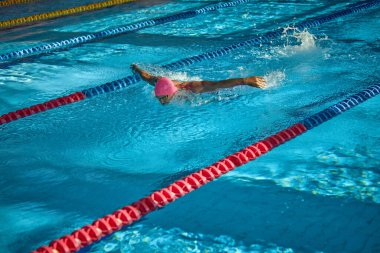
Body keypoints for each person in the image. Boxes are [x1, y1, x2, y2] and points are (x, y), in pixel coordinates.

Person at [131, 64, 266, 105]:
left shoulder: (193, 88)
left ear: (171, 92)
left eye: (163, 98)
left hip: (201, 90)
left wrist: (245, 81)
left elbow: (217, 84)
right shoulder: (158, 84)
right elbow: (146, 76)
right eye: (158, 98)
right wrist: (135, 68)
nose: (161, 102)